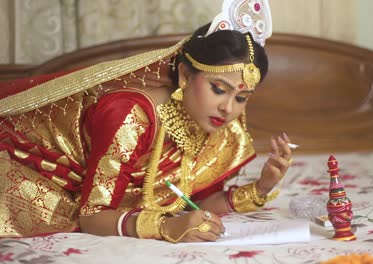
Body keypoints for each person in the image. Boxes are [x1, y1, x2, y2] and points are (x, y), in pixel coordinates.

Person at [0, 0, 292, 243]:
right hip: (29, 171)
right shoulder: (130, 116)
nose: (228, 108)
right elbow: (92, 217)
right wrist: (166, 228)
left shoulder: (213, 122)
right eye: (218, 89)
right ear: (185, 76)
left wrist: (260, 188)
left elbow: (195, 204)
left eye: (242, 98)